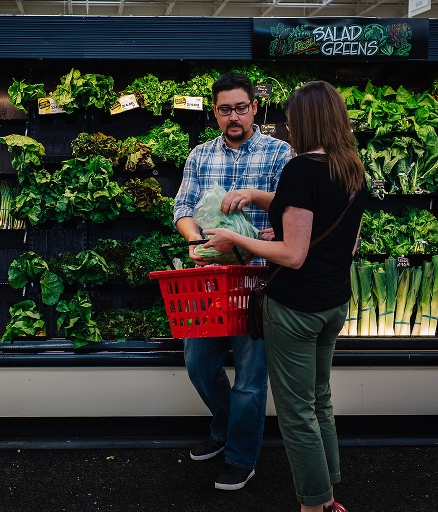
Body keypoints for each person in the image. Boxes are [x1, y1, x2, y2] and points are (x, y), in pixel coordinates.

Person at [201, 80, 367, 512]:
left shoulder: (299, 168)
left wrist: (236, 240)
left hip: (295, 308)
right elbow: (345, 244)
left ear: (304, 120)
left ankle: (313, 504)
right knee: (320, 400)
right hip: (334, 301)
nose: (288, 123)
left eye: (292, 115)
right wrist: (262, 201)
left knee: (297, 414)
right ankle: (330, 491)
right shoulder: (351, 167)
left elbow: (291, 255)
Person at [173, 71, 293, 491]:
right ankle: (224, 426)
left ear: (255, 108)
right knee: (198, 363)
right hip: (207, 280)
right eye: (225, 109)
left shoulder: (280, 153)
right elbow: (183, 208)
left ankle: (242, 456)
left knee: (250, 375)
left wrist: (257, 204)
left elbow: (295, 208)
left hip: (258, 283)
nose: (234, 116)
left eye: (241, 107)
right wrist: (197, 241)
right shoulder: (200, 155)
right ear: (214, 113)